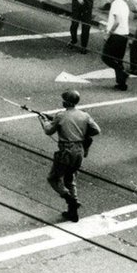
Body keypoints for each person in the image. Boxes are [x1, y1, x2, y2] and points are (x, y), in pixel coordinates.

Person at [40, 90, 101, 222]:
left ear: (66, 101)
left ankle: (69, 198)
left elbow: (48, 130)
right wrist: (82, 134)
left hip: (66, 151)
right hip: (79, 151)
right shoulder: (84, 115)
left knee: (54, 178)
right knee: (70, 179)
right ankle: (72, 212)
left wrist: (44, 120)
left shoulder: (61, 115)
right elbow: (96, 130)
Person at [102, 0, 131, 91]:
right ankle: (122, 84)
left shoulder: (115, 4)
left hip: (116, 35)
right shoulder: (124, 4)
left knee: (105, 57)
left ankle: (122, 74)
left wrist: (108, 33)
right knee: (118, 59)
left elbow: (117, 21)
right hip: (125, 34)